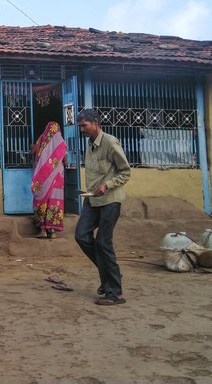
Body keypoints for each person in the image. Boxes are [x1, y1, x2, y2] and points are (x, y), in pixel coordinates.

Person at [74, 108, 131, 305]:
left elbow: (125, 172)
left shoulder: (110, 142)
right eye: (80, 126)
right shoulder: (89, 145)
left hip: (110, 199)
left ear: (96, 122)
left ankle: (115, 293)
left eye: (84, 126)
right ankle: (109, 275)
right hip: (92, 199)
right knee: (81, 235)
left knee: (103, 242)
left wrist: (107, 185)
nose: (81, 130)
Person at [31, 121, 67, 239]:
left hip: (43, 176)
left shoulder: (41, 140)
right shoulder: (61, 142)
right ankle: (52, 231)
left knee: (42, 199)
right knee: (54, 200)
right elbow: (65, 160)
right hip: (57, 177)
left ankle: (42, 230)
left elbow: (33, 152)